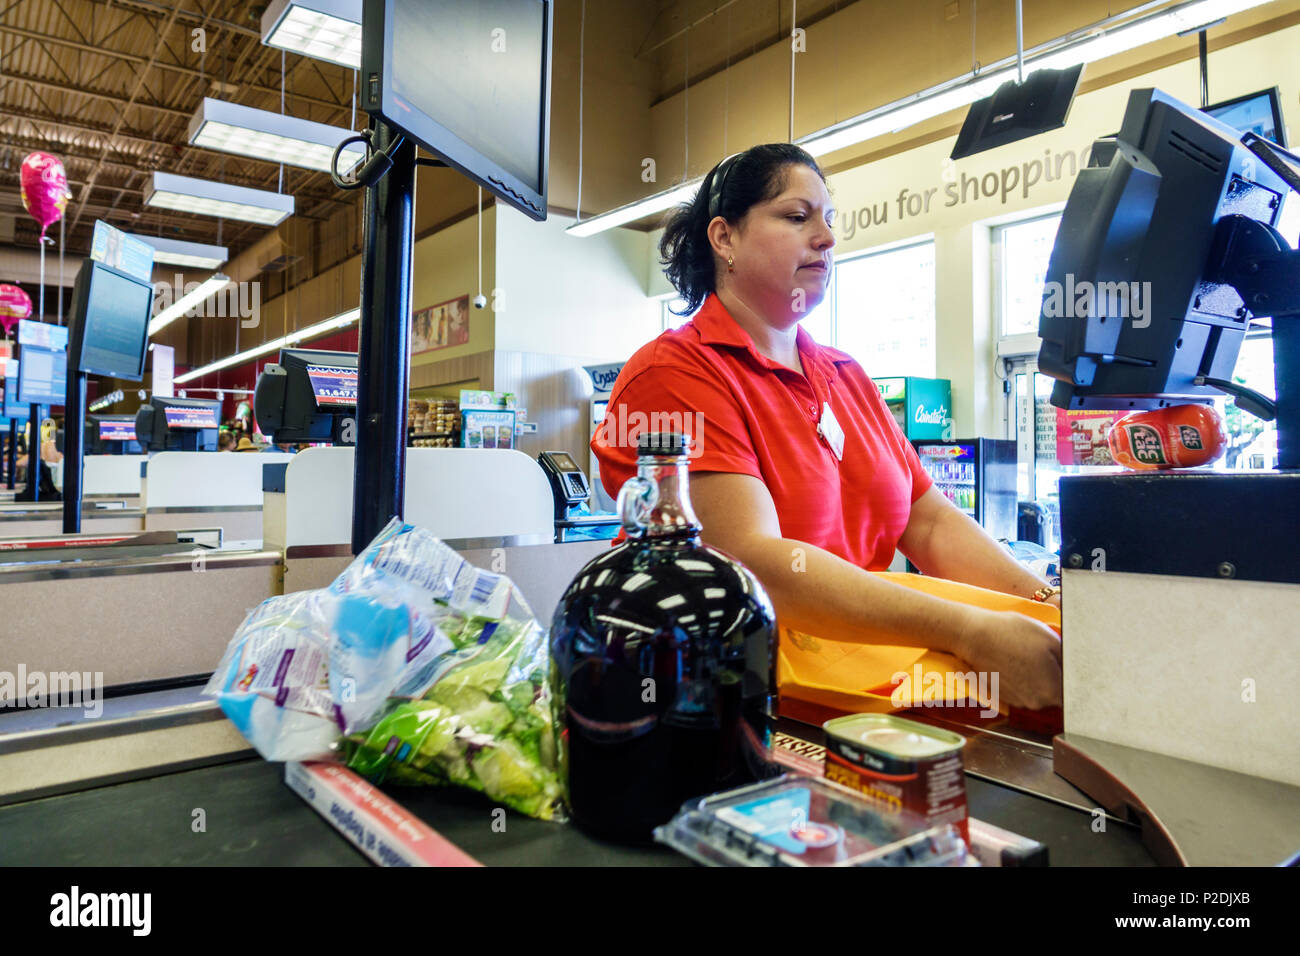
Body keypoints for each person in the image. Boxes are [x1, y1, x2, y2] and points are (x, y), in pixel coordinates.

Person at [591, 143, 1062, 710]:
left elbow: (928, 519)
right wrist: (967, 629)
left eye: (830, 221)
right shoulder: (673, 374)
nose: (827, 238)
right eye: (796, 217)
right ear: (724, 238)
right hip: (739, 692)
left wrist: (1040, 601)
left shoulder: (845, 375)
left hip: (868, 662)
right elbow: (754, 561)